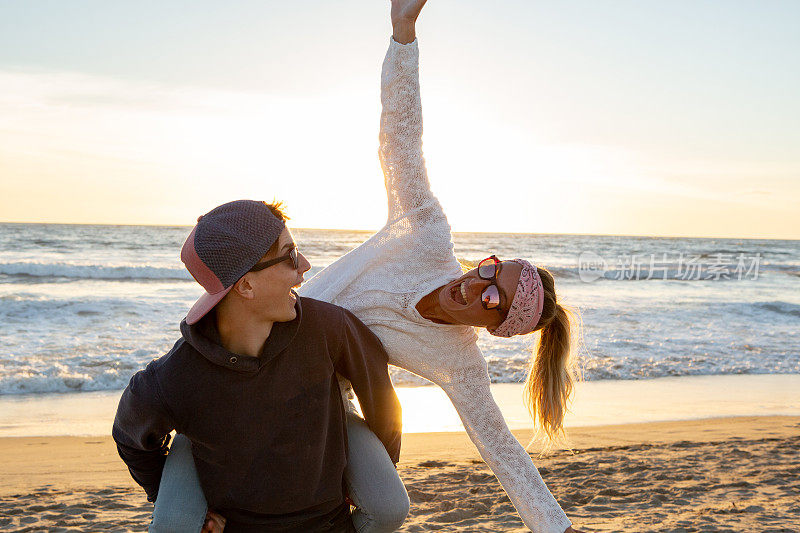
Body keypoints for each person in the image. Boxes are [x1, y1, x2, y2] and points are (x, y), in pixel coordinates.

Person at [158, 0, 586, 531]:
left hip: (316, 404)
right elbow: (400, 140)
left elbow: (504, 455)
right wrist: (403, 34)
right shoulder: (426, 234)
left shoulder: (461, 366)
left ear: (497, 330)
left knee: (386, 509)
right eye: (489, 269)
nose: (476, 285)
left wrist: (559, 527)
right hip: (244, 349)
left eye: (493, 299)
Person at [112, 199, 403, 533]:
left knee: (391, 507)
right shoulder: (174, 378)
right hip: (235, 524)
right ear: (246, 286)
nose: (305, 265)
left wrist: (377, 469)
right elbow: (129, 436)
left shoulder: (328, 327)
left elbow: (379, 391)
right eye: (291, 255)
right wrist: (169, 498)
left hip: (331, 521)